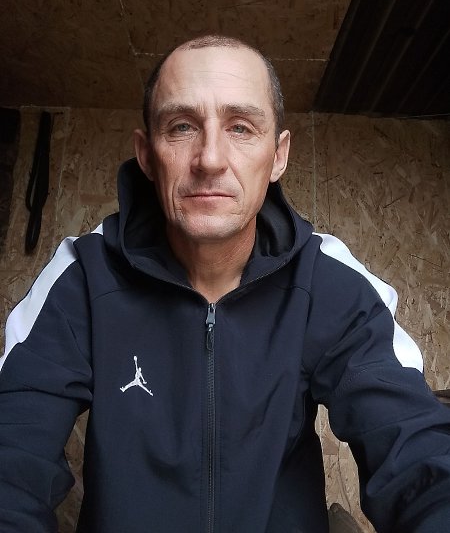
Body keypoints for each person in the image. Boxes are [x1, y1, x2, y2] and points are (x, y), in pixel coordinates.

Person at [0, 35, 449, 533]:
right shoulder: (82, 275)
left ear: (278, 156)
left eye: (240, 127)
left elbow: (418, 455)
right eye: (182, 126)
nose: (210, 158)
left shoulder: (329, 279)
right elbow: (11, 453)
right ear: (146, 155)